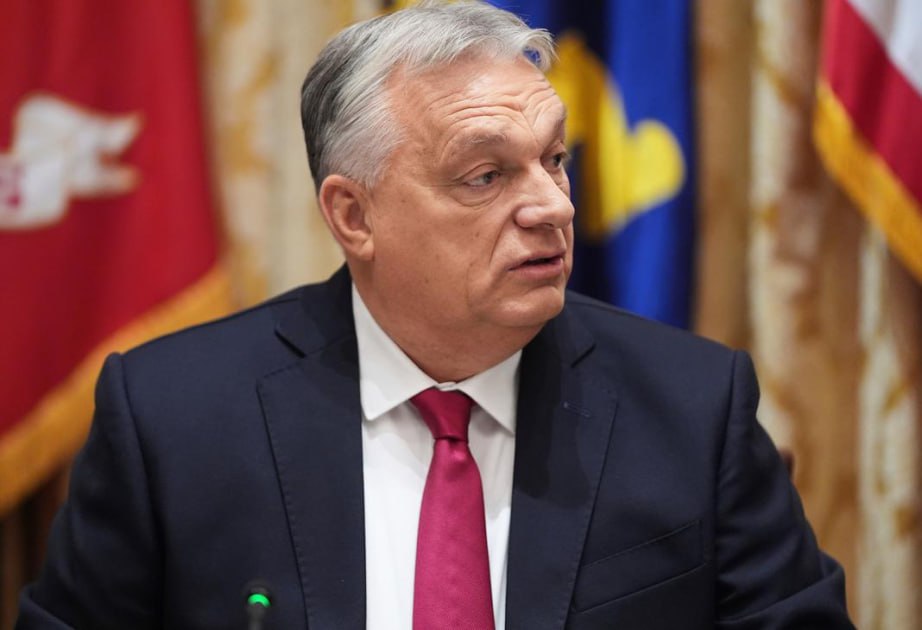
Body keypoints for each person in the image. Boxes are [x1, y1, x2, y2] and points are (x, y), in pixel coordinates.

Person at [18, 2, 853, 628]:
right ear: (354, 216)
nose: (553, 207)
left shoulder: (693, 409)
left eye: (554, 159)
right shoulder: (172, 418)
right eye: (485, 176)